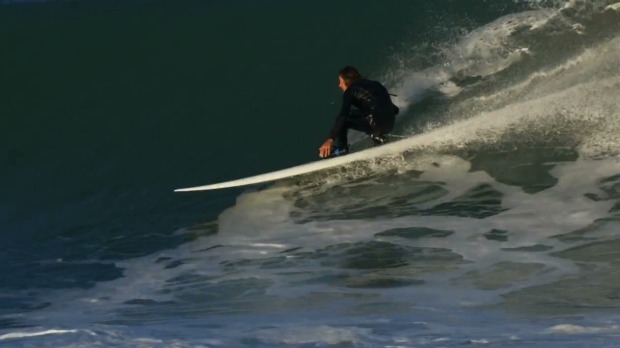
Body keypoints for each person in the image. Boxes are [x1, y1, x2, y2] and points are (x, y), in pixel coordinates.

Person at [319, 66, 399, 158]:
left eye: (340, 82)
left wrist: (330, 139)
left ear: (346, 81)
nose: (339, 85)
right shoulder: (375, 84)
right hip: (390, 123)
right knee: (359, 113)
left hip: (376, 124)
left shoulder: (350, 91)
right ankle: (378, 137)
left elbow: (342, 116)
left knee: (343, 120)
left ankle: (342, 149)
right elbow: (395, 110)